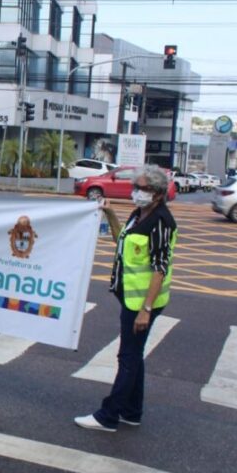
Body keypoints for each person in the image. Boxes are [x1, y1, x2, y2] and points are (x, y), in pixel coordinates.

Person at [75, 165, 177, 432]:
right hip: (130, 298)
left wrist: (146, 309)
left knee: (128, 357)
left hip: (142, 302)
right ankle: (132, 412)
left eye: (141, 188)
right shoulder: (139, 214)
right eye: (135, 187)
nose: (136, 193)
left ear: (156, 192)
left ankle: (108, 416)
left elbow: (160, 268)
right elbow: (121, 240)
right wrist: (110, 214)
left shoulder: (161, 222)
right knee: (134, 354)